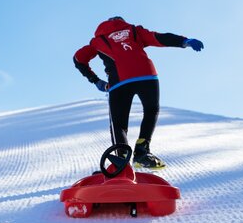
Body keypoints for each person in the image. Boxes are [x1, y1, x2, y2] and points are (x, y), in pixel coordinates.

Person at [73, 16, 203, 169]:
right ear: (122, 21)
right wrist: (184, 41)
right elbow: (158, 38)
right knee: (151, 110)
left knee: (119, 123)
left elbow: (78, 58)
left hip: (119, 81)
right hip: (147, 75)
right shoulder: (133, 31)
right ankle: (142, 152)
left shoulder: (98, 41)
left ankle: (121, 159)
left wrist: (96, 81)